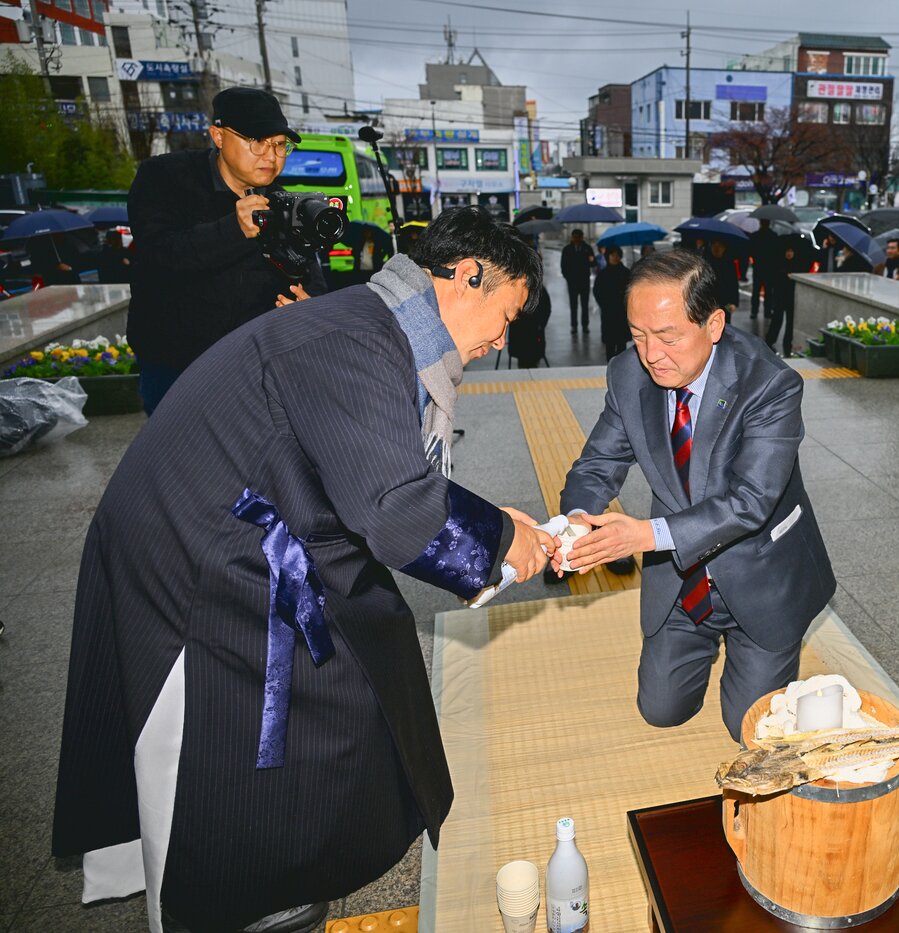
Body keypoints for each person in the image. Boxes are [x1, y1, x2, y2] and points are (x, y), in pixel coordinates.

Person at [52, 208, 557, 933]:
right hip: (201, 564)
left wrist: (492, 524)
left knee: (339, 697)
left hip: (253, 538)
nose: (501, 341)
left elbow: (375, 475)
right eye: (505, 316)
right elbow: (393, 506)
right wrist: (504, 538)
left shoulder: (371, 324)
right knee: (228, 742)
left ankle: (283, 873)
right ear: (469, 275)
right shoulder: (358, 338)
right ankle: (232, 899)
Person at [557, 249, 836, 741]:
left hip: (760, 574)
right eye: (638, 335)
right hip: (681, 579)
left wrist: (643, 536)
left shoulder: (769, 383)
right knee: (661, 711)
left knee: (750, 731)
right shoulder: (628, 373)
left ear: (714, 324)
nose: (651, 354)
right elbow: (598, 462)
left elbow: (751, 501)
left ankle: (763, 656)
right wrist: (577, 519)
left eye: (668, 337)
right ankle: (700, 642)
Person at [125, 87, 326, 415]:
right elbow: (160, 255)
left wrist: (309, 304)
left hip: (256, 366)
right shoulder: (164, 178)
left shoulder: (280, 200)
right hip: (178, 365)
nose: (271, 156)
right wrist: (235, 229)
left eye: (279, 145)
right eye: (257, 141)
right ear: (218, 136)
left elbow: (308, 270)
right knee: (182, 446)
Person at [508, 251, 551, 369]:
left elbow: (546, 309)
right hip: (523, 331)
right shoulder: (520, 287)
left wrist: (540, 325)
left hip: (532, 331)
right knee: (525, 363)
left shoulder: (538, 289)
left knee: (530, 362)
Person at [594, 246, 631, 360]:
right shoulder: (603, 274)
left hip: (622, 312)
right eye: (612, 255)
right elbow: (597, 291)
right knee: (609, 344)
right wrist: (604, 305)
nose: (615, 257)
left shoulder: (626, 273)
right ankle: (610, 365)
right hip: (608, 312)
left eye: (617, 255)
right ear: (607, 257)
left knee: (621, 344)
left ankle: (621, 366)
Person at [764, 243, 800, 357]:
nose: (789, 254)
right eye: (787, 251)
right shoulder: (779, 264)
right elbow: (774, 280)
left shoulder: (796, 265)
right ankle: (770, 340)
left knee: (790, 321)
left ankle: (787, 342)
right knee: (777, 319)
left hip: (791, 297)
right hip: (780, 297)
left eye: (791, 251)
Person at [560, 228, 596, 334]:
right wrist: (567, 277)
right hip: (572, 282)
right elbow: (563, 265)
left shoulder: (587, 248)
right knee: (573, 305)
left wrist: (592, 260)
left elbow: (593, 264)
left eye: (578, 237)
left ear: (582, 237)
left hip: (584, 281)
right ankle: (574, 325)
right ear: (572, 237)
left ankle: (585, 325)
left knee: (585, 305)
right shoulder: (567, 249)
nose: (576, 239)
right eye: (575, 237)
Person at [748, 218, 778, 319]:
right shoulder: (773, 236)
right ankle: (767, 312)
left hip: (758, 266)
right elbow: (776, 253)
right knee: (768, 291)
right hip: (769, 268)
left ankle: (754, 311)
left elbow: (751, 250)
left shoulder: (755, 236)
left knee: (756, 290)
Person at [706, 239, 740, 323]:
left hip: (726, 302)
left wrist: (734, 302)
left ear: (724, 248)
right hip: (710, 301)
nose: (717, 249)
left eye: (720, 246)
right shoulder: (707, 262)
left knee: (726, 323)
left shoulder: (728, 263)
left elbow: (733, 283)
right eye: (714, 246)